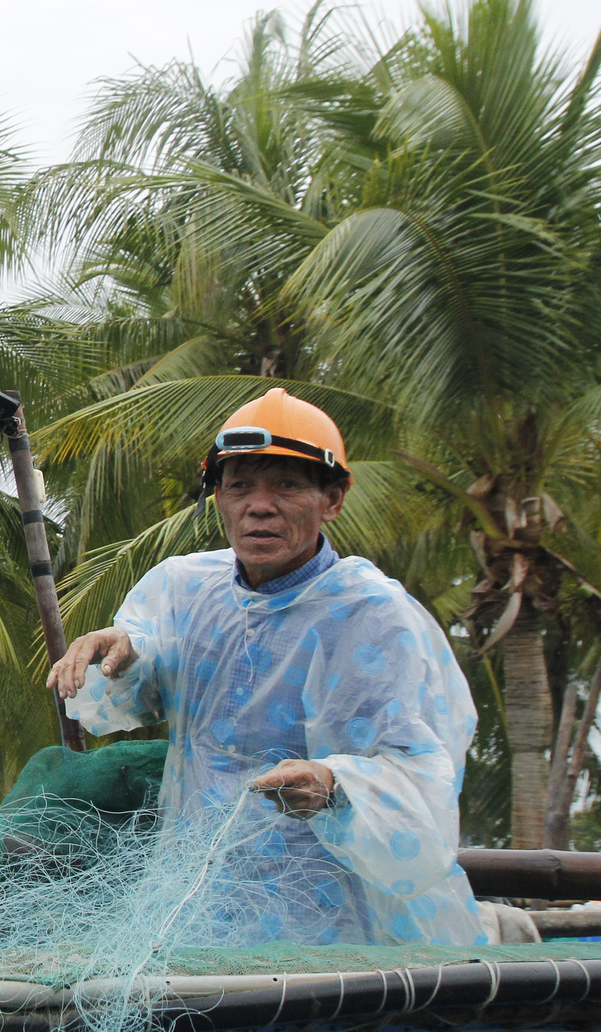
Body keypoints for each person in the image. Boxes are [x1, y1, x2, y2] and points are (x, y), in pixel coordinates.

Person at [46, 389, 486, 946]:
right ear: (218, 499)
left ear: (334, 497)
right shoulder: (183, 588)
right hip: (199, 906)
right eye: (240, 486)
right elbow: (134, 692)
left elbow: (421, 773)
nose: (259, 505)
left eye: (287, 485)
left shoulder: (373, 613)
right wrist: (123, 656)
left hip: (334, 916)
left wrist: (333, 783)